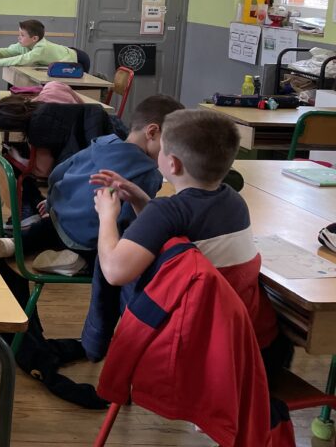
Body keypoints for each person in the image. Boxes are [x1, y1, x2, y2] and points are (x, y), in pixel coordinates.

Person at [93, 109, 282, 360]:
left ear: (172, 164)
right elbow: (174, 238)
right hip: (236, 337)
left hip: (182, 340)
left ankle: (96, 346)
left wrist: (106, 215)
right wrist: (140, 199)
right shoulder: (235, 202)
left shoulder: (167, 211)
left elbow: (115, 272)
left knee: (118, 272)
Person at [0, 95, 184, 268]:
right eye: (172, 142)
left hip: (60, 217)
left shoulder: (104, 142)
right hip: (87, 241)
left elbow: (57, 173)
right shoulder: (149, 173)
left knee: (44, 230)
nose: (173, 151)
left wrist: (51, 201)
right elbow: (132, 225)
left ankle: (15, 244)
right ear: (152, 132)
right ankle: (79, 263)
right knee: (127, 256)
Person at [0, 19, 76, 68]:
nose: (19, 37)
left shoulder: (41, 48)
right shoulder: (24, 45)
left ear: (34, 38)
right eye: (19, 34)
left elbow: (22, 59)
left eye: (22, 35)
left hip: (74, 57)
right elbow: (7, 51)